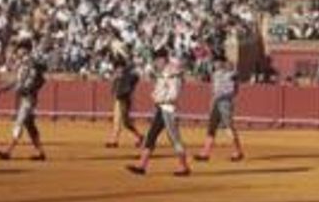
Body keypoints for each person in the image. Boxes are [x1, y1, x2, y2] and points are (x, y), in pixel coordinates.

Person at [127, 48, 191, 176]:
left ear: (163, 59)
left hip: (169, 108)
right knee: (151, 135)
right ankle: (142, 165)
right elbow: (160, 88)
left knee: (174, 138)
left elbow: (175, 93)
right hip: (161, 108)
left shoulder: (173, 72)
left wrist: (161, 99)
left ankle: (184, 166)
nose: (156, 63)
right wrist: (155, 96)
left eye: (157, 60)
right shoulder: (164, 72)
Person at [0, 39, 48, 161]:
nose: (18, 50)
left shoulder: (32, 62)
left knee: (19, 122)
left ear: (26, 49)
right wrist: (5, 88)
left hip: (29, 98)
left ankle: (8, 151)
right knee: (30, 126)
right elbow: (17, 80)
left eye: (20, 48)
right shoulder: (24, 63)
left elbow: (41, 79)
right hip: (26, 97)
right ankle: (41, 153)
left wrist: (31, 88)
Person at [196, 52, 245, 163]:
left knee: (228, 127)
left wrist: (218, 97)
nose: (216, 64)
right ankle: (205, 152)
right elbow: (214, 90)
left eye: (218, 62)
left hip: (225, 103)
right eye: (215, 62)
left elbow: (232, 91)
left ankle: (238, 151)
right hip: (216, 103)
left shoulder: (231, 74)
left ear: (223, 63)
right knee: (211, 127)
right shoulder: (216, 74)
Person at [105, 52, 143, 148]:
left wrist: (127, 71)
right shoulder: (119, 76)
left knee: (120, 121)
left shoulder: (128, 75)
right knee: (125, 122)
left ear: (121, 67)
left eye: (118, 68)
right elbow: (114, 88)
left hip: (124, 100)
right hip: (119, 99)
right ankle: (139, 137)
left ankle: (114, 140)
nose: (117, 70)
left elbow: (136, 77)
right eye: (116, 68)